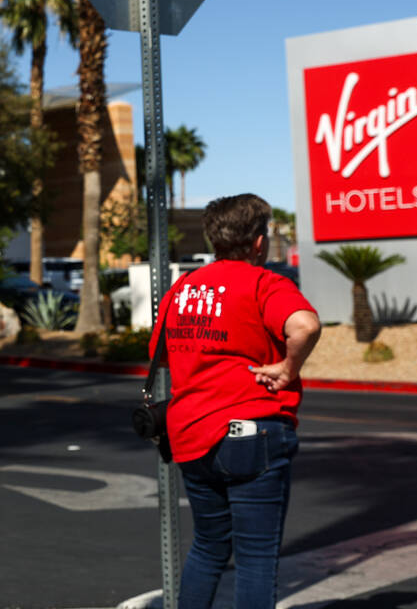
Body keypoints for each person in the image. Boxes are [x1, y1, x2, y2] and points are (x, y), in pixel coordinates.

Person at [149, 193, 321, 609]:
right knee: (256, 559)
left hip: (191, 435)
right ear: (259, 242)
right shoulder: (265, 283)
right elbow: (305, 326)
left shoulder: (182, 290)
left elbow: (163, 356)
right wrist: (288, 368)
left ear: (214, 239)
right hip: (252, 434)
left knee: (207, 549)